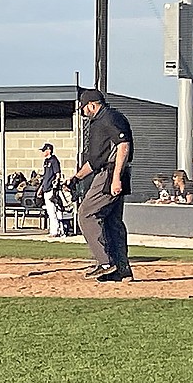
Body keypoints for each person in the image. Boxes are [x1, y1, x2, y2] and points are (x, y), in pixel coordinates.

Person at [65, 89, 133, 282]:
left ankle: (105, 263)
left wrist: (116, 177)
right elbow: (95, 161)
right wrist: (76, 178)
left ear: (92, 104)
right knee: (111, 222)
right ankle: (121, 270)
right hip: (108, 172)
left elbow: (123, 146)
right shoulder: (100, 122)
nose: (83, 111)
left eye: (84, 107)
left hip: (110, 174)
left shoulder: (110, 118)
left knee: (86, 214)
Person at [37, 143, 63, 237]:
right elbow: (45, 177)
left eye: (44, 150)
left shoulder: (54, 160)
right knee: (49, 210)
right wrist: (41, 188)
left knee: (52, 210)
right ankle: (53, 229)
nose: (43, 152)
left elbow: (57, 174)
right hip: (46, 188)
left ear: (49, 150)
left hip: (51, 189)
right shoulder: (46, 161)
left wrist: (55, 183)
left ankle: (55, 231)